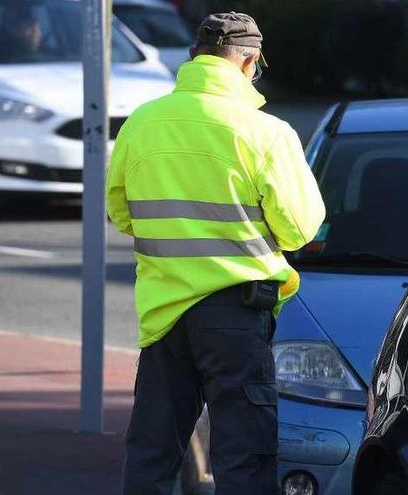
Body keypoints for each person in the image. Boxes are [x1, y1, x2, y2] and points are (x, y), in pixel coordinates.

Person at [106, 12, 325, 495]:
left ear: (194, 59)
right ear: (249, 63)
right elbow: (300, 227)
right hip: (236, 312)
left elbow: (121, 212)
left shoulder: (142, 123)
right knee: (243, 454)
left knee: (152, 451)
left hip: (163, 312)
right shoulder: (266, 132)